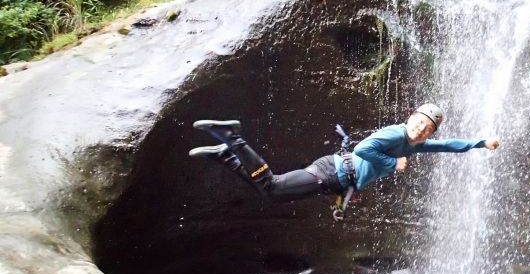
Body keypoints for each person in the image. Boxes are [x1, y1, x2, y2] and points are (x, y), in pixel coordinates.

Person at [189, 104, 500, 206]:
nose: (421, 130)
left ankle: (227, 156)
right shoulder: (396, 134)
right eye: (419, 122)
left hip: (335, 176)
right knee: (271, 187)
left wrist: (480, 142)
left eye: (427, 129)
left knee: (272, 190)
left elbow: (447, 146)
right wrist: (394, 163)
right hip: (331, 172)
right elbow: (364, 148)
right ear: (410, 118)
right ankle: (233, 139)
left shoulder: (414, 143)